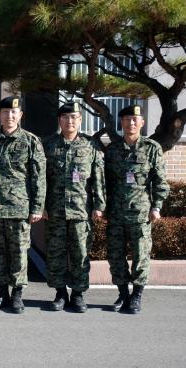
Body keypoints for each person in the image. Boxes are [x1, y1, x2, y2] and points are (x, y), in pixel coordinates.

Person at [0, 96, 46, 314]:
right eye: (5, 112)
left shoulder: (31, 141)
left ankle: (17, 294)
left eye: (14, 112)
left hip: (19, 208)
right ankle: (1, 292)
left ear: (20, 115)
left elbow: (38, 177)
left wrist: (37, 207)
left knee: (18, 252)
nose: (10, 116)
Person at [42, 102, 105, 313]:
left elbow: (98, 178)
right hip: (55, 210)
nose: (70, 121)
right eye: (66, 117)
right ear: (60, 120)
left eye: (74, 117)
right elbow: (41, 179)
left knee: (80, 253)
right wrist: (40, 206)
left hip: (81, 210)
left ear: (80, 120)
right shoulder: (48, 144)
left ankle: (78, 294)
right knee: (56, 253)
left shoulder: (90, 145)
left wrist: (99, 205)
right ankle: (60, 293)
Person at [105, 104, 169, 314]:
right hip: (115, 212)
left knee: (141, 256)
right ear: (121, 123)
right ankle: (123, 294)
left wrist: (157, 206)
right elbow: (105, 181)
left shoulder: (151, 148)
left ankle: (137, 296)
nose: (131, 123)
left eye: (135, 119)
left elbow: (160, 181)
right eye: (127, 119)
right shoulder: (113, 149)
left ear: (141, 123)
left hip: (141, 213)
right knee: (115, 255)